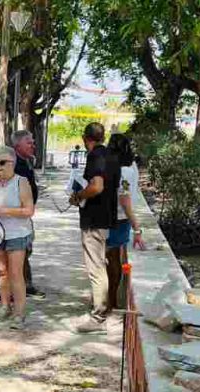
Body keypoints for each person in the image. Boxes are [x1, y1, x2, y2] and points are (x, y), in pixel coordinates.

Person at [70, 122, 120, 333]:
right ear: (103, 136)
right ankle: (101, 310)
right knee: (101, 265)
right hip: (108, 218)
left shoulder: (95, 156)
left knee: (96, 269)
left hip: (94, 220)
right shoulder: (112, 156)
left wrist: (79, 195)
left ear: (85, 138)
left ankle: (98, 317)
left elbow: (97, 186)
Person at [0, 147, 35, 329]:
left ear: (13, 163)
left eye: (2, 162)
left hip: (17, 234)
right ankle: (5, 306)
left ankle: (19, 313)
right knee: (2, 272)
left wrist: (3, 211)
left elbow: (29, 211)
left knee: (15, 273)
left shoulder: (21, 182)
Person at [106, 134, 145, 311]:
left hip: (118, 219)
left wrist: (137, 229)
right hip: (120, 218)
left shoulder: (124, 172)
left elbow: (125, 200)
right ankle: (112, 297)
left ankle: (111, 300)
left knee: (112, 260)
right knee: (114, 259)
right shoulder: (131, 167)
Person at [10, 130, 46, 299]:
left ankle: (26, 283)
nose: (33, 146)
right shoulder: (13, 164)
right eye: (29, 143)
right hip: (15, 215)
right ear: (17, 145)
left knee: (25, 249)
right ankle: (4, 287)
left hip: (25, 214)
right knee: (13, 250)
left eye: (33, 142)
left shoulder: (27, 161)